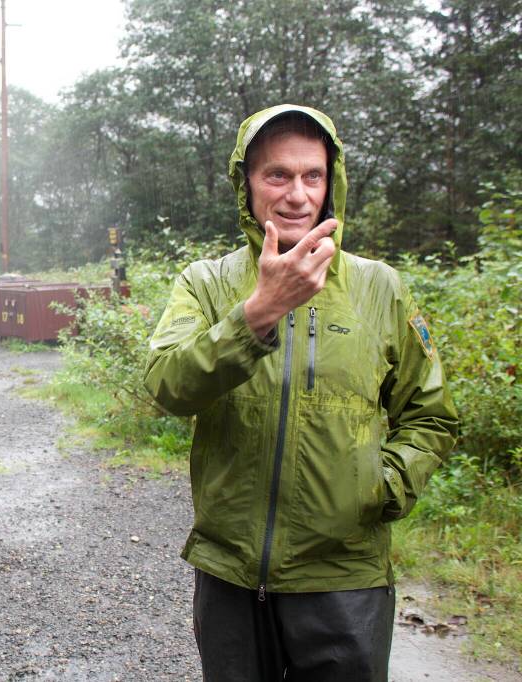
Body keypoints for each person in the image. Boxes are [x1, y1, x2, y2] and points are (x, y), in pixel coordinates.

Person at [143, 104, 459, 681]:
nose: (297, 195)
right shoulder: (207, 283)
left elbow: (431, 414)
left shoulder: (377, 287)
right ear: (247, 185)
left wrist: (385, 485)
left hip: (346, 577)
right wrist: (257, 313)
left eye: (312, 175)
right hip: (231, 572)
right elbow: (166, 386)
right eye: (277, 175)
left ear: (331, 184)